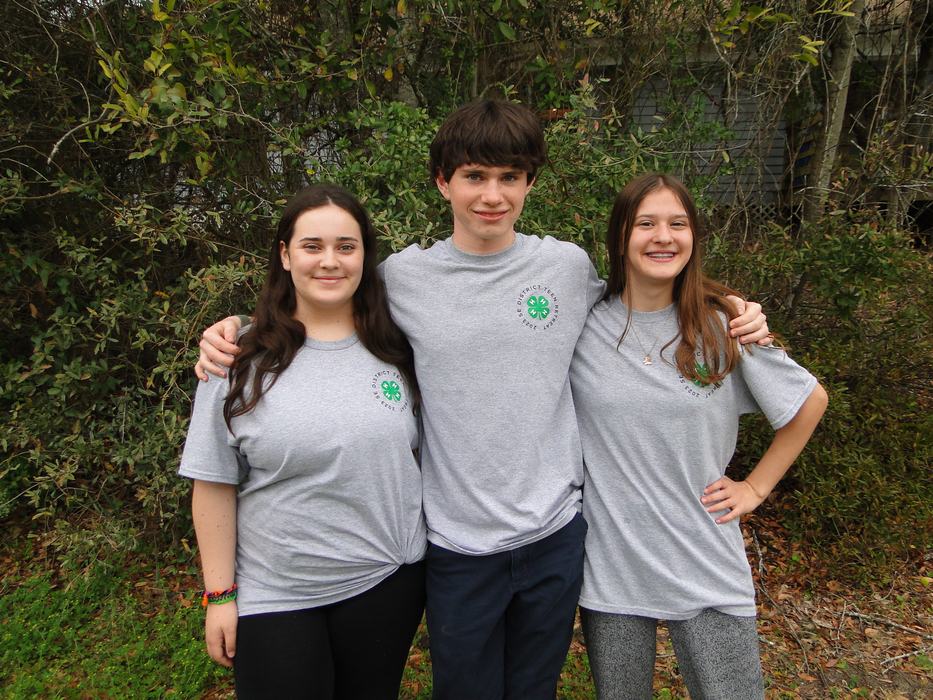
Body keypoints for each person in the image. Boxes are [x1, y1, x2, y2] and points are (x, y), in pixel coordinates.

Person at [194, 101, 771, 699]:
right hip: (455, 543)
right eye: (474, 175)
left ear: (529, 184)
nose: (492, 194)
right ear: (443, 182)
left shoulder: (565, 268)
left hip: (554, 534)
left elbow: (643, 294)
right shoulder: (401, 280)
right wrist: (237, 328)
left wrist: (729, 304)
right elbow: (323, 301)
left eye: (509, 177)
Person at [570, 173, 828, 699]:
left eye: (677, 224)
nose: (662, 236)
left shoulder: (722, 326)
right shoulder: (582, 323)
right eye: (646, 223)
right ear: (621, 236)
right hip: (613, 568)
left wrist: (755, 489)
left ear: (694, 238)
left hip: (706, 559)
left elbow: (808, 403)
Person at [179, 184, 427, 699]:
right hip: (279, 592)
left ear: (365, 257)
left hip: (386, 582)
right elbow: (212, 483)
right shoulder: (235, 359)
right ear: (286, 255)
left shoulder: (399, 347)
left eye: (346, 246)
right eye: (312, 246)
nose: (330, 261)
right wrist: (220, 596)